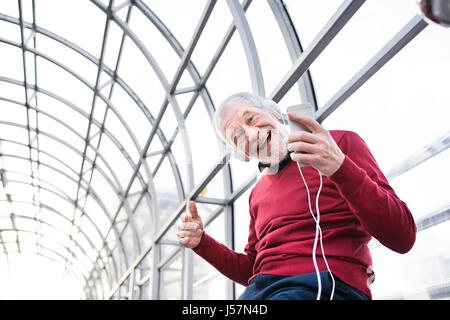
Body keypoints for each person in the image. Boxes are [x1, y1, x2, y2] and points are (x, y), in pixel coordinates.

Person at [177, 92, 416, 300]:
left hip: (327, 284)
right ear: (242, 154)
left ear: (273, 111)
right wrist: (202, 244)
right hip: (262, 291)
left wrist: (339, 167)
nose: (250, 134)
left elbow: (402, 237)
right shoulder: (257, 195)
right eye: (237, 137)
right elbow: (254, 268)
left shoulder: (339, 144)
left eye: (251, 118)